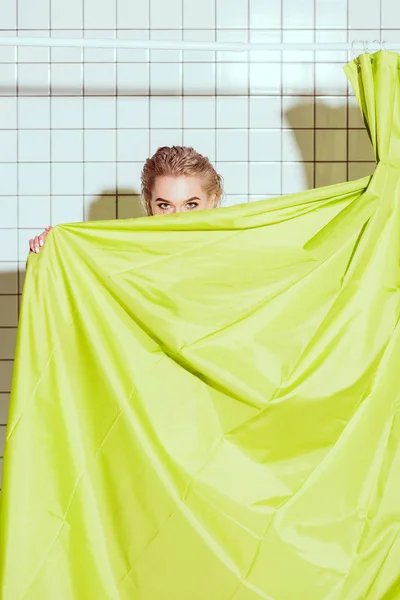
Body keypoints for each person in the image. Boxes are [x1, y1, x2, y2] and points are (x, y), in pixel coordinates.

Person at [29, 146, 224, 254]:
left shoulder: (235, 251)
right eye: (165, 205)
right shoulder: (129, 255)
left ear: (212, 200)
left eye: (191, 205)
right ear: (149, 204)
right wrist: (54, 248)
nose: (178, 218)